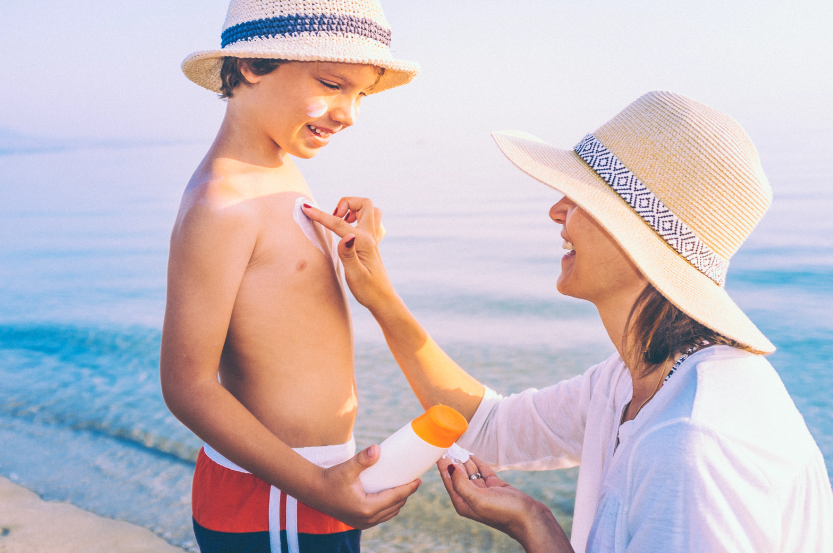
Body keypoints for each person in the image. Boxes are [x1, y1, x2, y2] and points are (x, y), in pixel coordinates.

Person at [303, 91, 833, 552]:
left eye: (579, 196)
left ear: (638, 241)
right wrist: (380, 297)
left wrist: (535, 526)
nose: (556, 211)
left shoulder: (694, 444)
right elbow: (488, 427)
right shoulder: (634, 379)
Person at [159, 1, 421, 551]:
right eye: (332, 83)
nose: (348, 113)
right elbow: (187, 387)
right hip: (277, 493)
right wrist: (318, 487)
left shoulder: (278, 169)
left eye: (360, 94)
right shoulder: (221, 203)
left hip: (306, 483)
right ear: (252, 66)